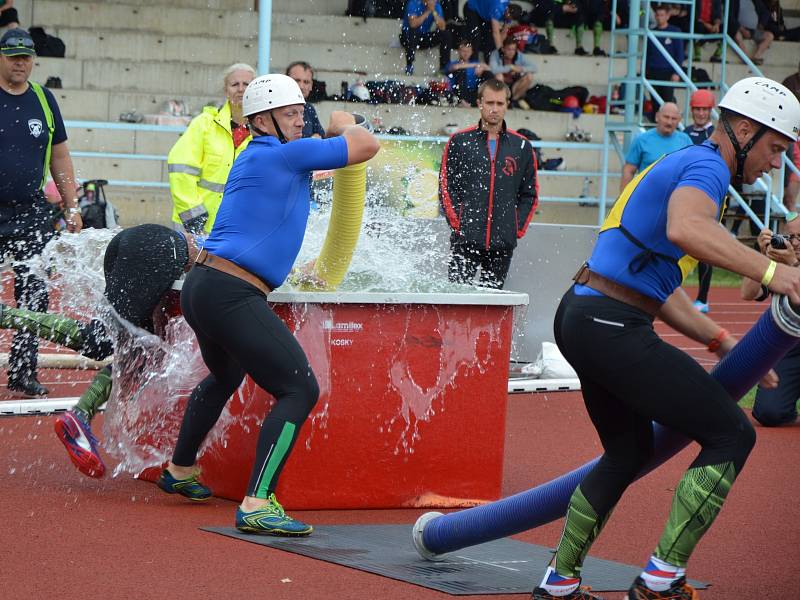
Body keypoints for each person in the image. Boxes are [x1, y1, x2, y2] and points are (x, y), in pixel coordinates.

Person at [530, 76, 800, 600]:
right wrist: (777, 274)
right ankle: (660, 581)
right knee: (732, 434)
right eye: (774, 148)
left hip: (585, 313)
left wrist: (718, 338)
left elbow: (656, 287)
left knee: (626, 452)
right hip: (608, 324)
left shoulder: (683, 162)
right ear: (743, 130)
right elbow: (686, 230)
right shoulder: (707, 166)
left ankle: (559, 584)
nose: (775, 163)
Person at [157, 74, 379, 535]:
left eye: (302, 112)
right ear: (262, 120)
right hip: (231, 292)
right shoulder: (284, 152)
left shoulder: (258, 153)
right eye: (291, 114)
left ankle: (179, 470)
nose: (301, 120)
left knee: (225, 376)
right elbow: (366, 146)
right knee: (300, 390)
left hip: (204, 285)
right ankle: (258, 501)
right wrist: (344, 120)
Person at [0, 225, 201, 477]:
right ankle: (6, 315)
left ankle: (79, 418)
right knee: (100, 341)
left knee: (140, 353)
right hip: (157, 248)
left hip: (145, 244)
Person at [0, 28, 82, 397]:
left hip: (30, 212)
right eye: (13, 55)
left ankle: (23, 369)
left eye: (27, 57)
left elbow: (60, 156)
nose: (21, 63)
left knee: (34, 293)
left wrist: (72, 204)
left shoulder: (44, 100)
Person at [439, 79, 538, 289]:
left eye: (500, 104)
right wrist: (460, 225)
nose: (494, 109)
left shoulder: (521, 146)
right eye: (490, 103)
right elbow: (446, 186)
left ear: (507, 105)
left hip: (502, 244)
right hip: (465, 240)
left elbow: (530, 194)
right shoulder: (459, 141)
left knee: (491, 307)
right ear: (479, 103)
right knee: (455, 301)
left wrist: (515, 228)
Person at [167, 62, 255, 236]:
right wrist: (193, 215)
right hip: (194, 227)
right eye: (234, 84)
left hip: (235, 229)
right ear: (225, 90)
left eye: (246, 84)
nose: (241, 89)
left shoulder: (263, 131)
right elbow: (180, 170)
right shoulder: (204, 124)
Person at [741, 215, 800, 427]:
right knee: (768, 413)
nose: (793, 243)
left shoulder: (790, 261)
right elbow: (748, 293)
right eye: (789, 236)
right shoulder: (779, 263)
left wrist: (793, 264)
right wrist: (762, 258)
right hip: (789, 348)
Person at [687, 89, 717, 314]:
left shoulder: (716, 135)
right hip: (686, 195)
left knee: (704, 248)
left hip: (708, 197)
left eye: (704, 109)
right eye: (697, 109)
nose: (700, 113)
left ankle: (702, 298)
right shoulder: (684, 133)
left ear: (710, 111)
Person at [620, 102, 692, 191]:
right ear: (657, 117)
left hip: (675, 197)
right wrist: (623, 198)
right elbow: (629, 170)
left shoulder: (685, 141)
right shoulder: (641, 140)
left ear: (679, 120)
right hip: (646, 194)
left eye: (674, 118)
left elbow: (691, 171)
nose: (669, 122)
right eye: (666, 117)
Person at [645, 5, 685, 109]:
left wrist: (677, 72)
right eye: (657, 15)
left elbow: (680, 54)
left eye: (662, 15)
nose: (659, 18)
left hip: (668, 72)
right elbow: (647, 54)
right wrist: (646, 70)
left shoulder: (675, 31)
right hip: (654, 70)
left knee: (667, 101)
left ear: (668, 16)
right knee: (655, 102)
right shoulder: (651, 32)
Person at [399, 0, 452, 76]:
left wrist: (433, 11)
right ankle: (409, 65)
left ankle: (444, 67)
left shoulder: (436, 6)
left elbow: (442, 27)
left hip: (423, 37)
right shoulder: (413, 3)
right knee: (412, 32)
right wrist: (427, 11)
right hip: (408, 37)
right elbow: (413, 24)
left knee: (446, 34)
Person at [488, 36, 536, 107]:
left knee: (530, 76)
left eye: (513, 49)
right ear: (503, 49)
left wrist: (520, 69)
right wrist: (510, 67)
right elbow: (493, 69)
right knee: (499, 76)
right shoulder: (495, 54)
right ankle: (502, 100)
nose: (511, 52)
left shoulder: (519, 55)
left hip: (514, 86)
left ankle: (513, 101)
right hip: (500, 86)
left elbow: (534, 68)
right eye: (509, 49)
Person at [445, 38, 491, 107]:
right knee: (461, 71)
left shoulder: (476, 63)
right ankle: (462, 101)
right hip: (458, 92)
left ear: (472, 52)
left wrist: (482, 68)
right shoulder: (453, 63)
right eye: (463, 51)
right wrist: (476, 65)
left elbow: (489, 69)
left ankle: (485, 100)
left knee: (487, 73)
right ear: (459, 51)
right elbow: (455, 67)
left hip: (473, 92)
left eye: (468, 51)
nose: (466, 53)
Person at [285, 61, 325, 138]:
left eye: (306, 82)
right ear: (285, 81)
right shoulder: (275, 108)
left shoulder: (309, 109)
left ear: (311, 86)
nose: (301, 86)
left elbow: (320, 135)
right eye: (297, 80)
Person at [735, 0, 774, 65]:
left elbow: (766, 12)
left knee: (769, 36)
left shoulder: (755, 1)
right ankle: (746, 59)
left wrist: (761, 24)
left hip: (753, 30)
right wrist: (742, 29)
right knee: (737, 35)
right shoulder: (733, 1)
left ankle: (755, 57)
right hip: (738, 29)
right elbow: (730, 18)